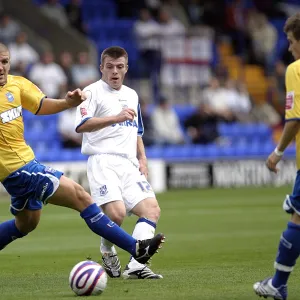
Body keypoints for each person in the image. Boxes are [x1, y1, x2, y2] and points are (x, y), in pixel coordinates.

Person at [0, 43, 164, 267]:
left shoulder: (16, 84)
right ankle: (136, 248)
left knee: (26, 223)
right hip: (17, 169)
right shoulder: (96, 91)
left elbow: (40, 105)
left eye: (5, 62)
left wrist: (68, 102)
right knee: (82, 197)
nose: (1, 67)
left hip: (27, 160)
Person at [75, 46, 163, 279]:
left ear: (126, 68)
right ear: (101, 68)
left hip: (129, 163)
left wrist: (142, 159)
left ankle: (136, 266)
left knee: (152, 210)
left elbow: (137, 131)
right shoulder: (91, 92)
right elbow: (82, 125)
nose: (115, 72)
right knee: (116, 214)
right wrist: (116, 117)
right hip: (103, 160)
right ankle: (106, 249)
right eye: (110, 67)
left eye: (120, 67)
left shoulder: (132, 95)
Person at [253, 13, 300, 300]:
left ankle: (278, 284)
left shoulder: (296, 70)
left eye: (293, 41)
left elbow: (295, 118)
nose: (290, 48)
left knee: (297, 220)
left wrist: (277, 152)